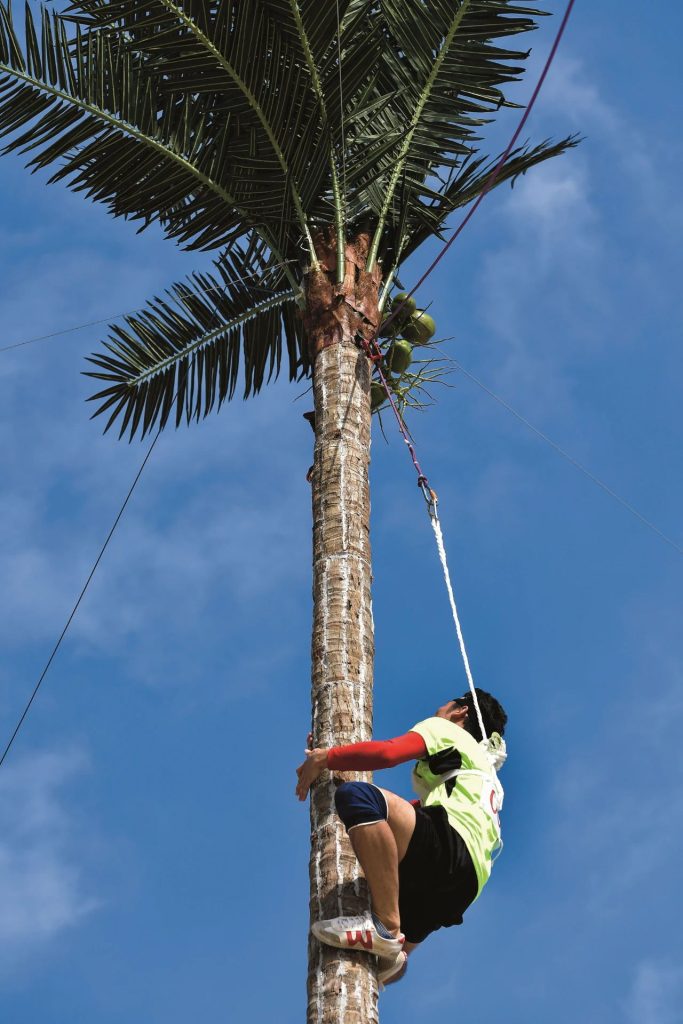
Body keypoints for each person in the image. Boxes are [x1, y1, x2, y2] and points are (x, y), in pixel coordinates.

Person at [295, 688, 508, 986]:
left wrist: (326, 757)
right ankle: (394, 950)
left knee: (358, 797)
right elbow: (410, 814)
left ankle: (386, 927)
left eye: (447, 702)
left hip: (447, 848)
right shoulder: (480, 777)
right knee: (392, 960)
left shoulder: (448, 730)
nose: (440, 706)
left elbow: (388, 753)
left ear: (461, 712)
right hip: (465, 887)